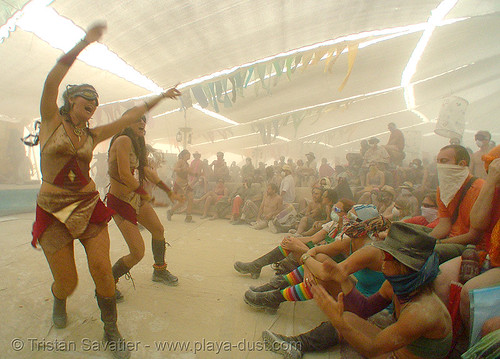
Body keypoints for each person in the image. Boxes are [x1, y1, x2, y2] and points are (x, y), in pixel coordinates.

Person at [30, 23, 181, 359]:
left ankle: (111, 329)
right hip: (52, 209)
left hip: (88, 205)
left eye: (96, 105)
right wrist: (85, 41)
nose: (93, 108)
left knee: (101, 270)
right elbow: (52, 78)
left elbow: (132, 116)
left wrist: (160, 97)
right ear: (71, 101)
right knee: (68, 283)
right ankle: (60, 296)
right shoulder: (51, 119)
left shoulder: (93, 135)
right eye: (87, 102)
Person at [264, 222, 452, 359]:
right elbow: (364, 308)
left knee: (344, 321)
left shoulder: (422, 312)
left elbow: (372, 349)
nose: (383, 261)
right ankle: (299, 344)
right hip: (396, 348)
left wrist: (336, 318)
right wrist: (342, 280)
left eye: (388, 257)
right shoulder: (396, 286)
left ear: (405, 267)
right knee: (349, 318)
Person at [244, 205, 390, 313]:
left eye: (350, 218)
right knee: (318, 257)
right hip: (355, 291)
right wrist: (307, 261)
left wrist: (305, 256)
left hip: (370, 306)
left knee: (321, 278)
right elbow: (316, 249)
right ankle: (272, 289)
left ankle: (274, 296)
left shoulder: (369, 249)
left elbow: (327, 273)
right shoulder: (351, 241)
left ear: (365, 224)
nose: (345, 220)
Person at [107, 115, 183, 301]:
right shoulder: (123, 140)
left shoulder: (137, 142)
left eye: (144, 120)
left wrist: (168, 191)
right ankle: (108, 281)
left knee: (158, 229)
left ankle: (159, 271)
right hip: (121, 201)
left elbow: (146, 170)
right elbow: (125, 175)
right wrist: (146, 195)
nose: (142, 122)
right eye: (137, 119)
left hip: (135, 198)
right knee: (137, 253)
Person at [433, 148, 500, 341]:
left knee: (469, 292)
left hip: (489, 254)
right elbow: (478, 222)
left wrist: (438, 242)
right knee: (441, 278)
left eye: (444, 161)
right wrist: (492, 183)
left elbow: (473, 233)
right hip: (486, 252)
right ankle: (447, 337)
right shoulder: (490, 189)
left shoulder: (477, 186)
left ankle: (471, 344)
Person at [430, 145, 485, 263]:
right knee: (401, 230)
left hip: (469, 246)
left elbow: (474, 236)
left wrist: (437, 243)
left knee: (428, 251)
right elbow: (444, 225)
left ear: (461, 164)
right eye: (438, 161)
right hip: (449, 238)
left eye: (444, 161)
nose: (440, 165)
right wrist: (425, 240)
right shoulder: (443, 189)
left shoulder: (481, 189)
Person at [167, 149, 195, 223]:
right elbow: (175, 169)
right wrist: (183, 169)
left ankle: (188, 217)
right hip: (179, 184)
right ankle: (170, 212)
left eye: (189, 154)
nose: (189, 155)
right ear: (183, 155)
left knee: (191, 198)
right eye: (187, 154)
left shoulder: (187, 163)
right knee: (182, 202)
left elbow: (188, 173)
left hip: (185, 184)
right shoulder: (180, 161)